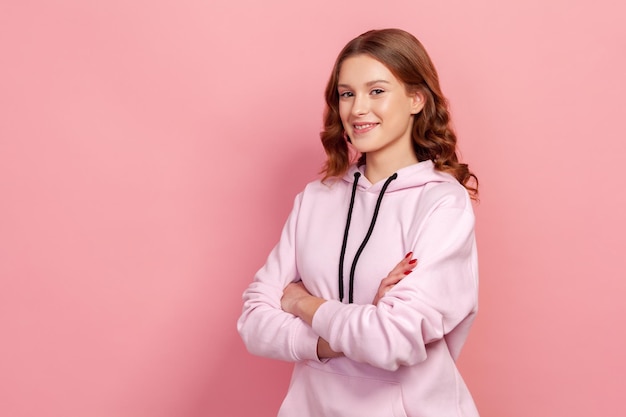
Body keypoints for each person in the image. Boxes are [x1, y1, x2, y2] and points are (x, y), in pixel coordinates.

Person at [237, 28, 480, 417]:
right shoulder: (316, 198)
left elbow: (393, 339)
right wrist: (349, 332)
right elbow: (253, 323)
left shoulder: (442, 204)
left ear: (416, 99)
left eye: (377, 91)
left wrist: (302, 302)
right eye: (347, 93)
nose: (357, 109)